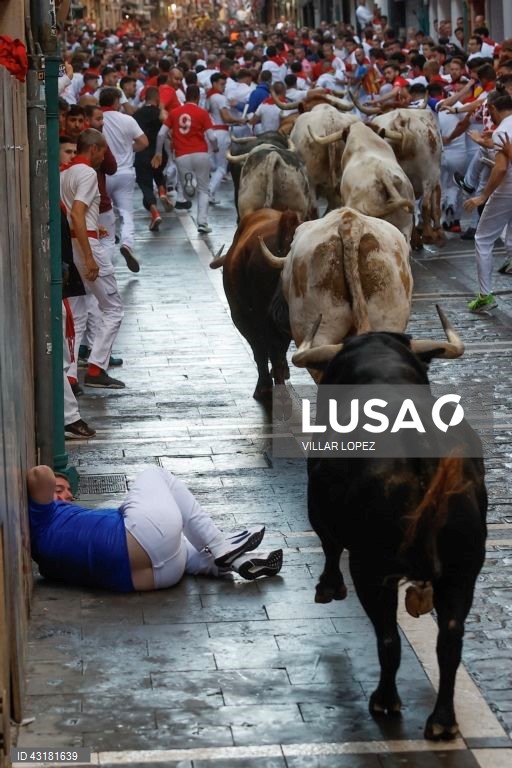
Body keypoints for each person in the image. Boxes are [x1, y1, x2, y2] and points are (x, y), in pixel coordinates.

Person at [27, 465, 283, 591]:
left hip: (157, 577)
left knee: (184, 545)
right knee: (155, 474)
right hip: (143, 545)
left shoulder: (48, 563)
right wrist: (48, 494)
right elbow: (40, 473)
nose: (67, 496)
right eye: (58, 491)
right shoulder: (42, 517)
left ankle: (237, 561)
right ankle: (220, 545)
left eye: (69, 493)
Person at [60, 128, 125, 389]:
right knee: (113, 308)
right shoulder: (87, 173)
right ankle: (97, 368)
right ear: (94, 149)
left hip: (73, 241)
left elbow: (69, 212)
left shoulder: (64, 172)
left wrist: (90, 225)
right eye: (104, 150)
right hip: (86, 244)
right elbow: (77, 213)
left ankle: (71, 374)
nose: (104, 157)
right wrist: (90, 257)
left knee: (76, 313)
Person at [464, 92, 512, 312]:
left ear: (493, 108)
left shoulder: (502, 130)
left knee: (483, 239)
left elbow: (501, 168)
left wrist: (483, 196)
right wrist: (486, 142)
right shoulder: (502, 131)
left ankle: (485, 296)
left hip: (506, 190)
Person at [154, 85, 219, 235]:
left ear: (186, 96)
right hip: (201, 154)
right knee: (204, 190)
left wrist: (158, 152)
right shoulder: (203, 113)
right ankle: (202, 223)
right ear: (197, 97)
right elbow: (212, 137)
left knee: (187, 190)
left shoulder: (174, 113)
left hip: (181, 155)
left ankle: (189, 184)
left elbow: (161, 134)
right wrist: (215, 148)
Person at [99, 87, 149, 273]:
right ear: (116, 102)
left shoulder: (98, 120)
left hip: (104, 173)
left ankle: (106, 258)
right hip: (125, 172)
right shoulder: (128, 119)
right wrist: (128, 150)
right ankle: (127, 243)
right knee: (126, 213)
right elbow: (144, 142)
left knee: (105, 214)